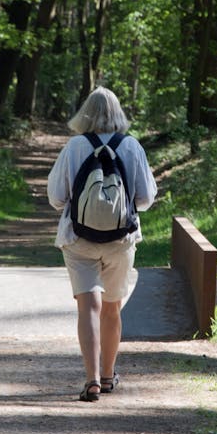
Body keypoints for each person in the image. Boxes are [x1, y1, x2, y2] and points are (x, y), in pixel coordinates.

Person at [47, 87, 157, 402]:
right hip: (120, 240)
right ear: (117, 113)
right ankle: (109, 377)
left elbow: (56, 198)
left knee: (88, 307)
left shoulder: (74, 147)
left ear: (85, 113)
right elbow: (146, 200)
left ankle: (92, 380)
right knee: (111, 308)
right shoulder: (132, 146)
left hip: (78, 239)